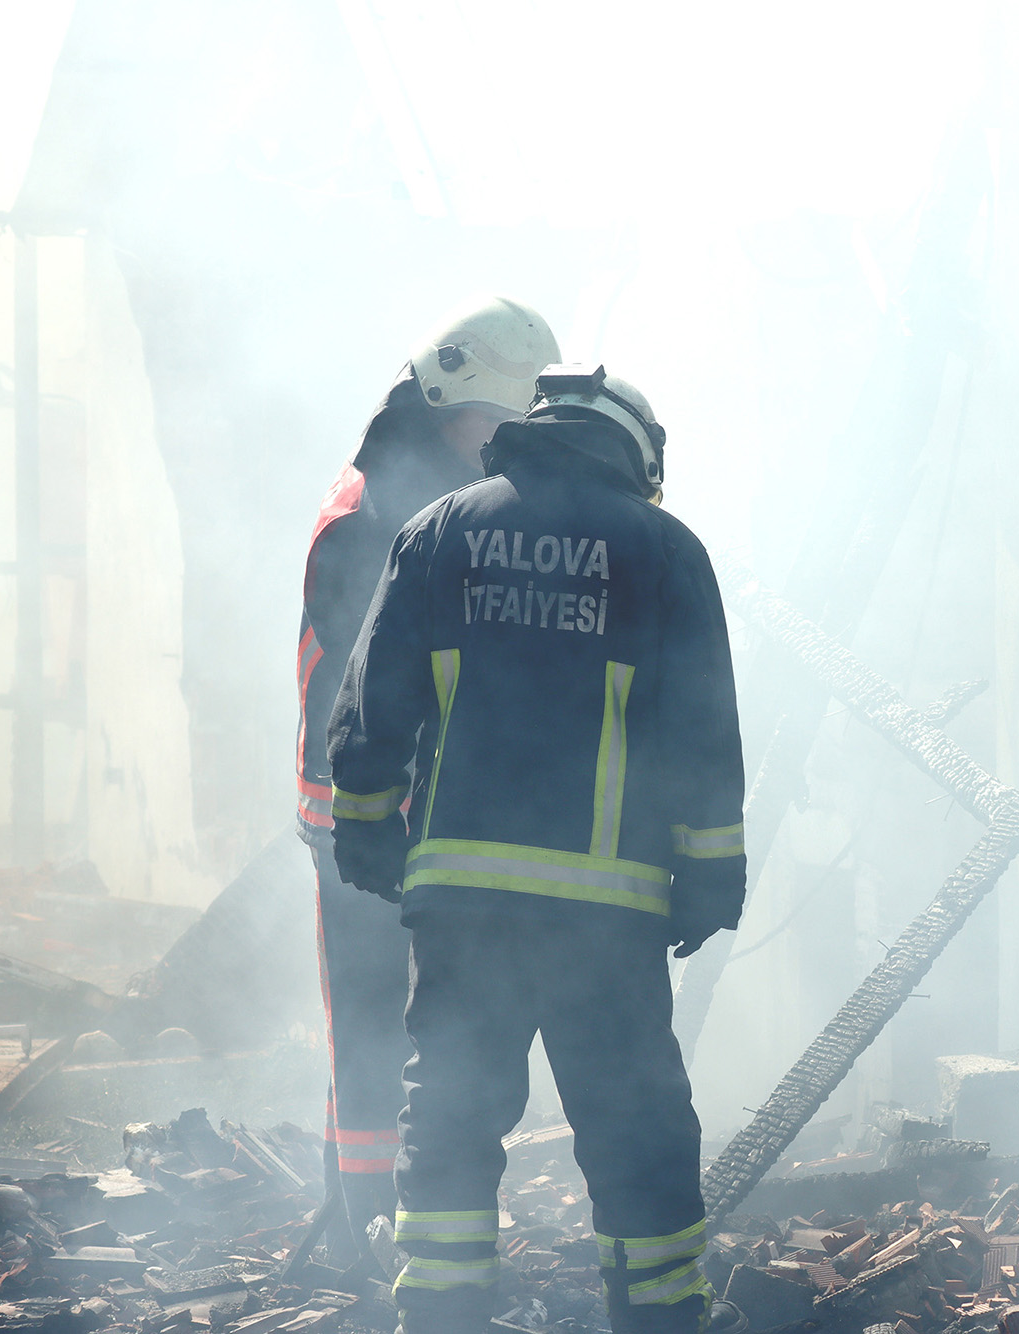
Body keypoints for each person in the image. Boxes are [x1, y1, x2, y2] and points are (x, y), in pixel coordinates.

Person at [326, 364, 747, 1334]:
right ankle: (659, 1319)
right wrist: (709, 873)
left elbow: (375, 695)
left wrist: (366, 825)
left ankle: (441, 1315)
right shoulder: (664, 549)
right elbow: (702, 731)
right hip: (607, 916)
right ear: (635, 453)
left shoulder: (441, 530)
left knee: (451, 1118)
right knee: (636, 1128)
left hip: (463, 906)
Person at [296, 298, 561, 1257]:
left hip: (424, 811)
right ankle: (368, 1225)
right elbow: (368, 683)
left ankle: (381, 1212)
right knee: (371, 1024)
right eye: (495, 422)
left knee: (414, 1026)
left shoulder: (436, 487)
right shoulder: (372, 517)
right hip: (361, 812)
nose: (503, 445)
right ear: (448, 401)